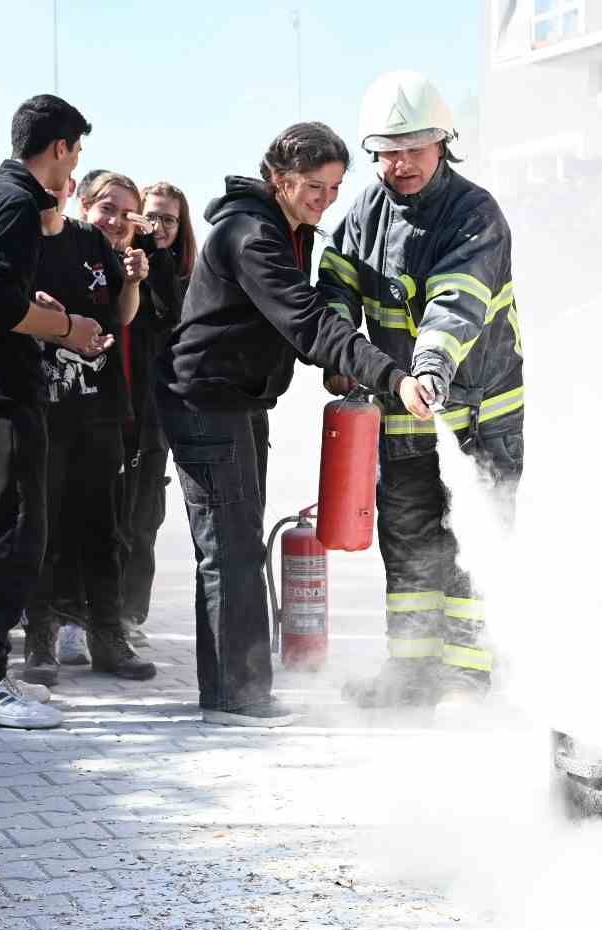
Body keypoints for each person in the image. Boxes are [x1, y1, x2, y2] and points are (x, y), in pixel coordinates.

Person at [161, 120, 430, 727]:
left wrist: (337, 370)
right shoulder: (251, 234)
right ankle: (236, 697)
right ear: (278, 180)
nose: (325, 200)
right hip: (207, 403)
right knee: (228, 549)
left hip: (239, 400)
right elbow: (306, 322)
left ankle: (236, 690)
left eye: (335, 188)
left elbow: (294, 331)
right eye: (314, 186)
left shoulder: (289, 228)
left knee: (237, 541)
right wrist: (391, 375)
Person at [317, 71, 527, 712]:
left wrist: (430, 366)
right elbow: (335, 285)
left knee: (469, 537)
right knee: (406, 539)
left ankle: (465, 675)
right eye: (386, 149)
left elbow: (456, 301)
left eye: (413, 147)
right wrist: (335, 353)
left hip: (480, 413)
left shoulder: (474, 213)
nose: (400, 163)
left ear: (443, 142)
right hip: (402, 410)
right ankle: (409, 671)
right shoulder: (364, 210)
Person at [0, 94, 106, 727]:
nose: (75, 166)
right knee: (15, 531)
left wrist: (38, 310)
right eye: (77, 151)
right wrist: (68, 328)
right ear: (59, 147)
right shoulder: (13, 203)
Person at [20, 171, 155, 686]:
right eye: (105, 207)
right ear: (79, 200)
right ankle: (40, 641)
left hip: (100, 408)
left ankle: (108, 638)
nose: (115, 219)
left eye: (124, 210)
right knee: (44, 527)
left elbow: (121, 316)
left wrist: (136, 281)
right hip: (46, 407)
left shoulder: (98, 248)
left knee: (104, 529)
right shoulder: (33, 240)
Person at [118, 180, 193, 646]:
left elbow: (175, 316)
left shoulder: (187, 277)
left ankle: (130, 612)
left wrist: (159, 262)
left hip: (155, 415)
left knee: (144, 517)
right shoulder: (117, 265)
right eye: (152, 217)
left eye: (169, 219)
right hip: (111, 408)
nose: (159, 227)